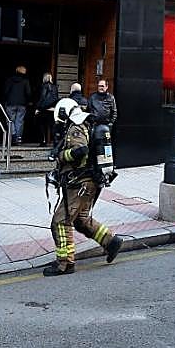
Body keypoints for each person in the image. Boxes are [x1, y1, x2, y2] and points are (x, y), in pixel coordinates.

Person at [44, 98, 123, 276]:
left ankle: (65, 263)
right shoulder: (87, 124)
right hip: (89, 183)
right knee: (81, 220)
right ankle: (111, 242)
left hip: (80, 183)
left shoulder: (76, 128)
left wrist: (60, 156)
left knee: (60, 221)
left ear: (64, 113)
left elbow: (80, 152)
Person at [2, 65, 33, 144]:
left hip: (10, 103)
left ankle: (13, 134)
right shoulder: (25, 81)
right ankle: (18, 138)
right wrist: (28, 101)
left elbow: (6, 91)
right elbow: (28, 93)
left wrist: (5, 100)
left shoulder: (10, 80)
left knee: (10, 120)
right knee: (19, 121)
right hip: (22, 104)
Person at [35, 72, 61, 145]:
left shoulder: (43, 86)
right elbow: (56, 97)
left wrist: (38, 108)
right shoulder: (55, 87)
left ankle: (43, 141)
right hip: (52, 108)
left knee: (42, 126)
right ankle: (55, 141)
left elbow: (42, 97)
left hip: (44, 109)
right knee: (52, 126)